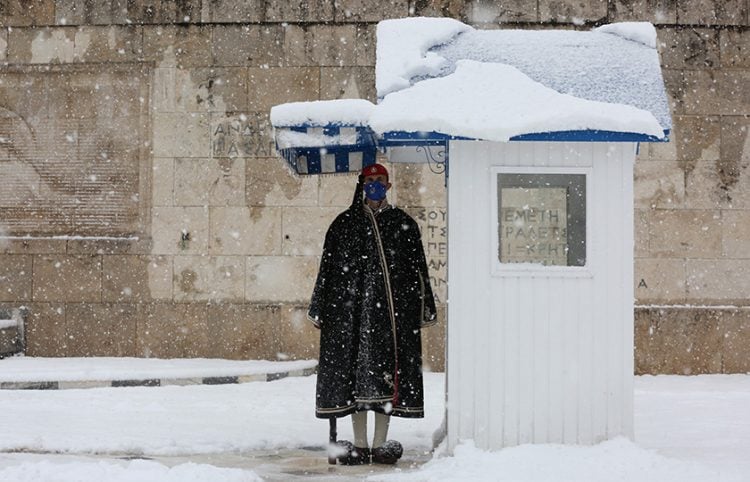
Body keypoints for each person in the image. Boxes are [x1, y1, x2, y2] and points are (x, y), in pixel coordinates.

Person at [308, 162, 438, 465]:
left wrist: (420, 307)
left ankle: (380, 443)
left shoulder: (402, 223)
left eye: (381, 180)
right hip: (352, 317)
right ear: (362, 184)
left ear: (389, 186)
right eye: (370, 180)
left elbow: (418, 271)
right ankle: (359, 443)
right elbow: (327, 271)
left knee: (385, 379)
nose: (375, 185)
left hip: (390, 319)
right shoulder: (344, 224)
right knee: (354, 380)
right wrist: (322, 308)